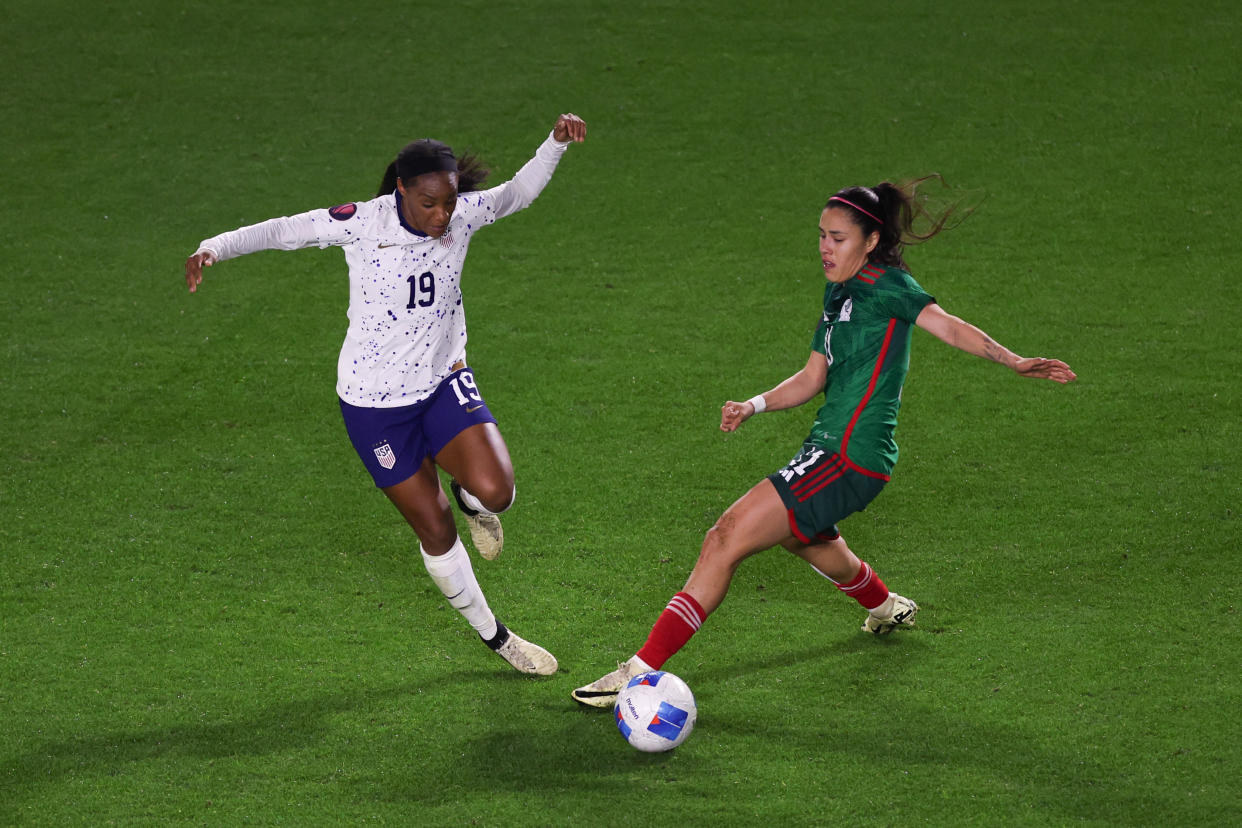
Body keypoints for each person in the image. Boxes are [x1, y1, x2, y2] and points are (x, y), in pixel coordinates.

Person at [573, 178, 1076, 706]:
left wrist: (1013, 359)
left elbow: (950, 327)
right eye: (821, 235)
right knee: (803, 537)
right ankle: (884, 606)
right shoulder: (837, 294)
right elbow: (813, 377)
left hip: (851, 456)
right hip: (827, 448)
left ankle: (638, 670)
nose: (824, 247)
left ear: (871, 240)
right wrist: (755, 404)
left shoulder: (892, 288)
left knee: (724, 537)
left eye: (837, 237)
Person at [185, 113, 588, 676]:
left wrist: (555, 144)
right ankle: (497, 637)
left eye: (448, 201)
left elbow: (516, 194)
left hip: (443, 383)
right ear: (401, 188)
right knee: (436, 529)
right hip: (375, 409)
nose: (442, 215)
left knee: (497, 491)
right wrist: (214, 249)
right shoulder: (362, 223)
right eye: (429, 203)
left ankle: (474, 501)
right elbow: (283, 230)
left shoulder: (461, 216)